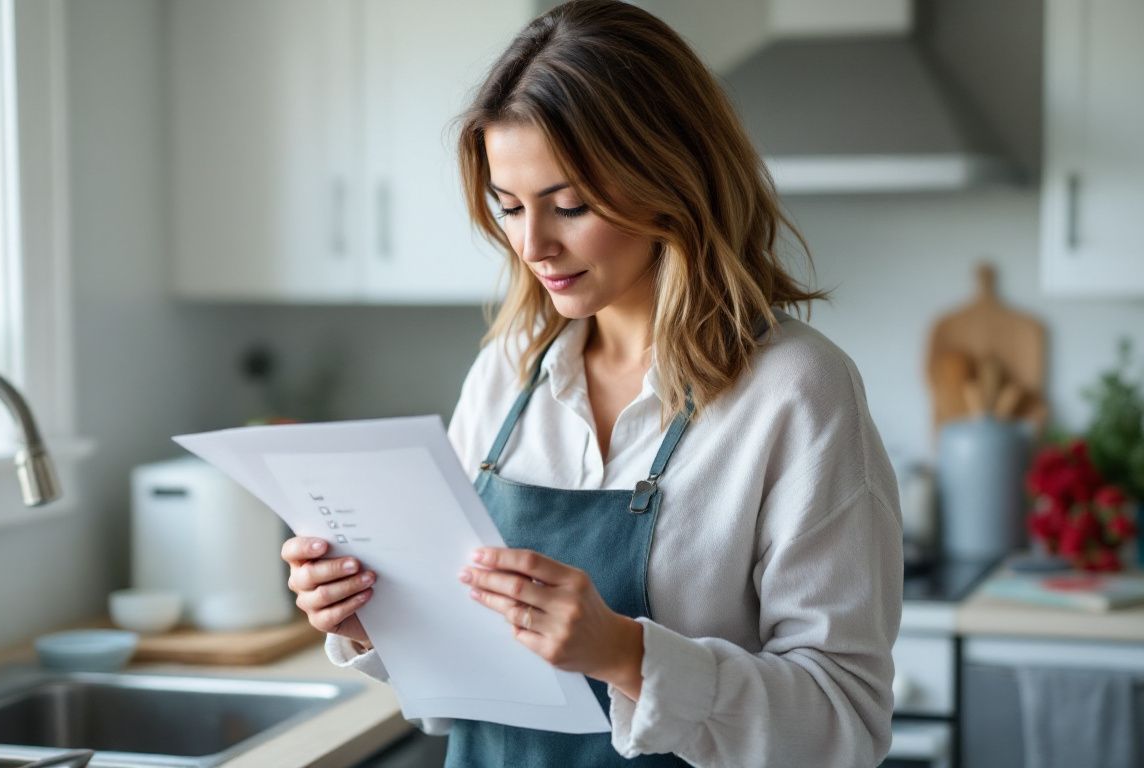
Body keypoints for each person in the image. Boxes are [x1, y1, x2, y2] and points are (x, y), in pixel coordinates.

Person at [281, 1, 902, 765]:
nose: (533, 245)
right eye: (509, 207)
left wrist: (626, 654)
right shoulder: (510, 370)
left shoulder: (796, 391)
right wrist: (374, 621)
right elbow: (459, 689)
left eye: (569, 205)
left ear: (670, 177)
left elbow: (847, 726)